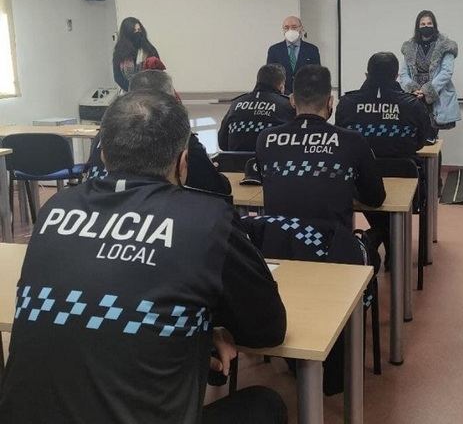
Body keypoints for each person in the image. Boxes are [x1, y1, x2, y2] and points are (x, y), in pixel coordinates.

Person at [0, 90, 287, 423]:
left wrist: (192, 332)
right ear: (183, 162)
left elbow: (98, 305)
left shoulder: (55, 208)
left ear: (103, 154)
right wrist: (205, 331)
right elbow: (268, 329)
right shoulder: (208, 221)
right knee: (267, 405)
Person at [256, 65, 385, 230]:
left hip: (279, 242)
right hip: (333, 244)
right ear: (330, 101)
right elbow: (375, 198)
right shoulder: (352, 140)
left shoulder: (265, 139)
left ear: (292, 100)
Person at [336, 52, 430, 267]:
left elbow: (342, 141)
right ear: (396, 76)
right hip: (404, 177)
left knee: (366, 188)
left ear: (366, 74)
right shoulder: (412, 104)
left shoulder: (347, 103)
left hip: (359, 184)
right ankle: (388, 240)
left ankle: (379, 235)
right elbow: (420, 141)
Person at [87, 70, 231, 196]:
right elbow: (218, 187)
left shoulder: (104, 133)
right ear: (168, 100)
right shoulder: (176, 136)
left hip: (93, 205)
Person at [399, 10, 460, 132]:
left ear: (434, 25)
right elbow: (404, 73)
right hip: (415, 96)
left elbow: (446, 72)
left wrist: (427, 90)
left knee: (432, 135)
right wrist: (413, 89)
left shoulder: (445, 45)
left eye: (429, 23)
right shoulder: (409, 47)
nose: (426, 26)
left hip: (437, 94)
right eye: (423, 24)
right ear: (418, 26)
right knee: (414, 132)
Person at [218, 64, 295, 152]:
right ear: (281, 86)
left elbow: (222, 143)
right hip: (270, 159)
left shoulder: (236, 104)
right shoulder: (286, 105)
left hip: (237, 160)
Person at [266, 16, 321, 95]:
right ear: (283, 30)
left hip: (306, 96)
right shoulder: (274, 50)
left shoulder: (312, 49)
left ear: (301, 28)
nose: (290, 30)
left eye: (294, 27)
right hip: (281, 96)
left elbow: (317, 75)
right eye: (286, 28)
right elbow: (270, 76)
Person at [112, 17, 160, 91]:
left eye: (139, 30)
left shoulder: (149, 50)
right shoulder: (120, 52)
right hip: (128, 93)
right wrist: (132, 90)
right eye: (134, 31)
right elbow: (118, 77)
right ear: (127, 33)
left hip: (149, 92)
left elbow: (158, 73)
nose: (137, 33)